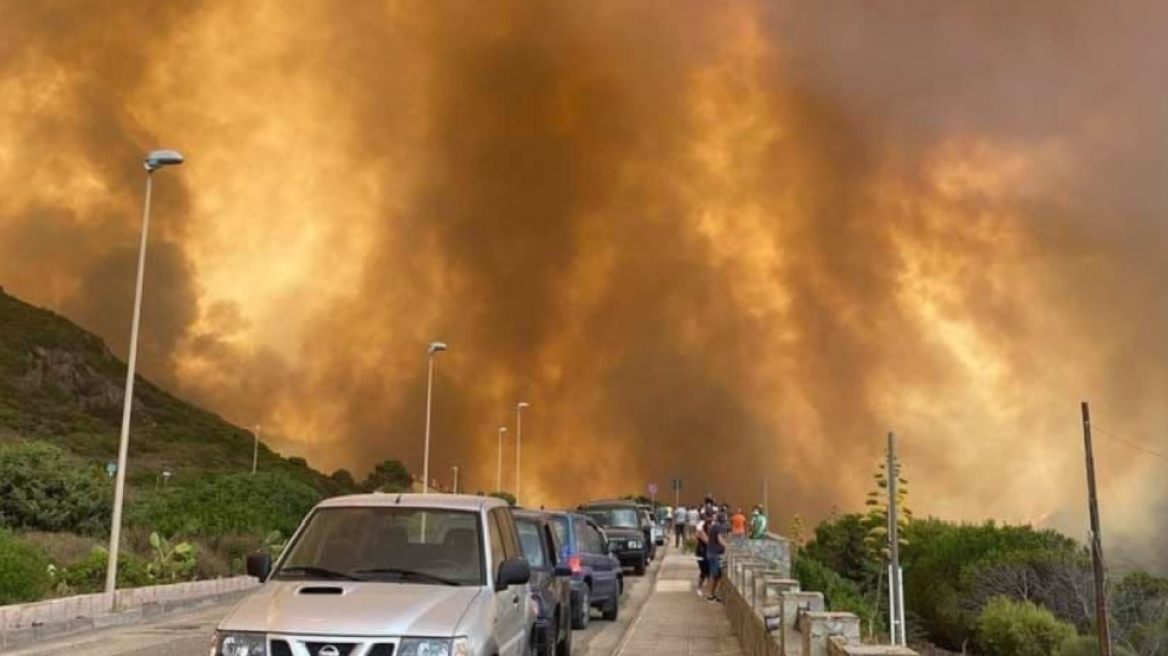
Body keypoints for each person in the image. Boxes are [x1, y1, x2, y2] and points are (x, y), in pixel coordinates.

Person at [705, 511, 728, 602]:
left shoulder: (714, 527)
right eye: (725, 518)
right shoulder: (718, 527)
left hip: (713, 553)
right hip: (714, 554)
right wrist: (727, 546)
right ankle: (711, 596)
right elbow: (719, 539)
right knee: (714, 575)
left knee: (717, 576)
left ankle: (715, 595)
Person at [694, 511, 710, 595]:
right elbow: (707, 541)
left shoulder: (704, 530)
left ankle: (708, 589)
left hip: (705, 552)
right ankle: (699, 588)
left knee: (708, 572)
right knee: (704, 571)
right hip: (701, 553)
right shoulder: (701, 531)